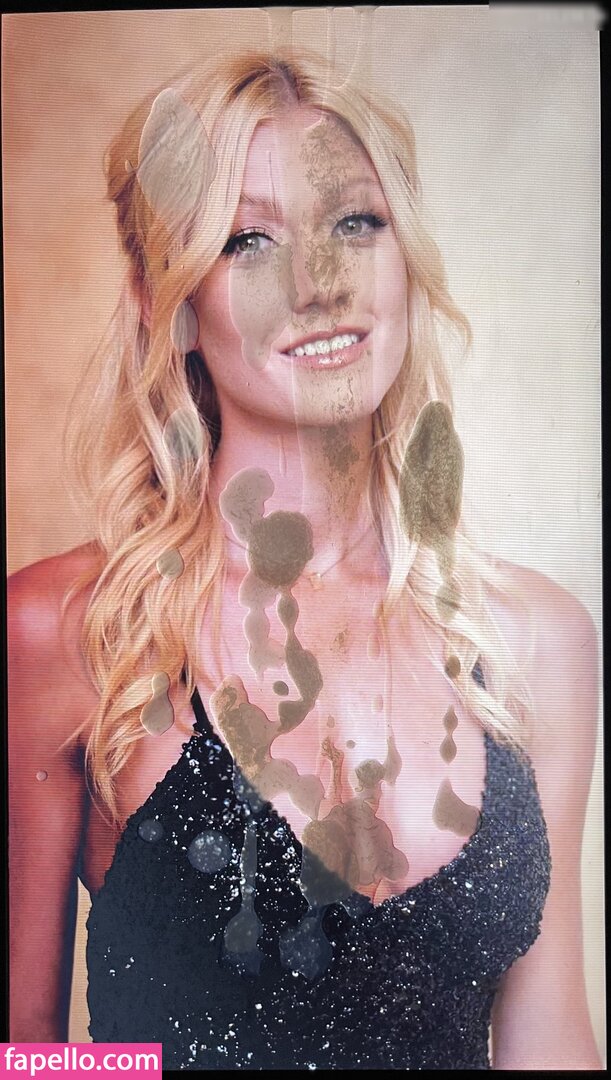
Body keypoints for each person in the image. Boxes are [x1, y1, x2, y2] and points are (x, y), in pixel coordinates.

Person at [8, 48, 601, 1070]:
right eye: (248, 241)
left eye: (354, 224)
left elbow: (548, 1038)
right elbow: (19, 1055)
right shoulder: (64, 633)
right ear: (167, 302)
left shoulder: (532, 642)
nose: (319, 282)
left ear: (404, 259)